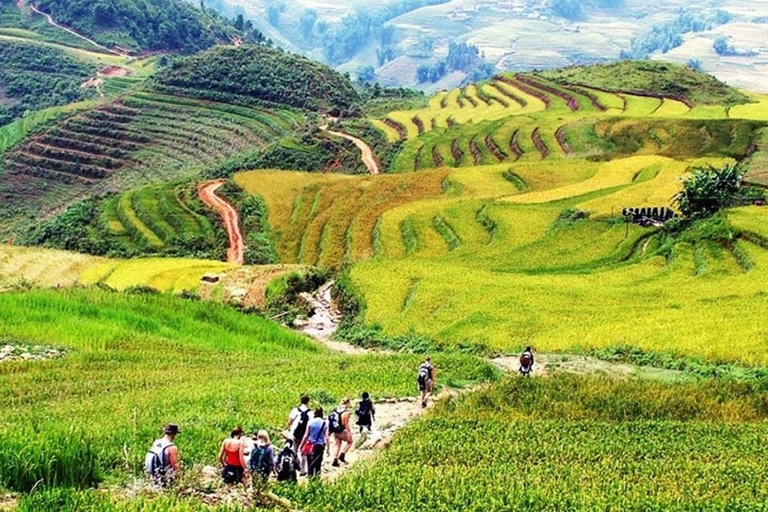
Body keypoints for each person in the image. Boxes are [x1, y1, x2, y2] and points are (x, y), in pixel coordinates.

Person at [300, 407, 328, 478]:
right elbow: (326, 437)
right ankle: (317, 479)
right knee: (318, 463)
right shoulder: (325, 423)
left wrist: (301, 445)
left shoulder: (310, 422)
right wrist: (328, 448)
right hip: (320, 445)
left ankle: (310, 477)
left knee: (310, 463)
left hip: (310, 445)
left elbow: (306, 435)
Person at [287, 395, 311, 475]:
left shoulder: (295, 410)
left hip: (294, 433)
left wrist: (289, 429)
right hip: (304, 435)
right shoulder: (310, 413)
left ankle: (292, 467)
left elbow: (289, 421)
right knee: (303, 452)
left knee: (294, 450)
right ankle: (303, 470)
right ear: (308, 402)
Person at [329, 398, 353, 467]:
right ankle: (342, 455)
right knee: (350, 441)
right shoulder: (346, 412)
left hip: (335, 430)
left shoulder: (336, 410)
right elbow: (346, 424)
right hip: (342, 430)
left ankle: (335, 460)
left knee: (338, 445)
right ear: (347, 403)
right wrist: (349, 432)